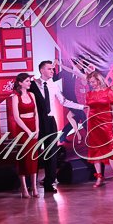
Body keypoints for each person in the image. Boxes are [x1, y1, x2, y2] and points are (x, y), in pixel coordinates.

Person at [30, 60, 85, 195]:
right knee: (34, 153)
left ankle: (49, 182)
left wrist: (82, 107)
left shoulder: (53, 85)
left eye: (53, 69)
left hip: (50, 121)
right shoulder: (33, 84)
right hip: (36, 122)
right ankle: (31, 184)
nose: (52, 71)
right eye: (49, 69)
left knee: (51, 152)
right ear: (42, 70)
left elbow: (64, 101)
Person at [83, 71, 113, 186]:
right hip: (93, 124)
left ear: (99, 80)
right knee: (95, 150)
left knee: (110, 148)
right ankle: (99, 177)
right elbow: (88, 109)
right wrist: (87, 122)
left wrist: (112, 119)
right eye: (90, 82)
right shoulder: (89, 94)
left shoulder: (108, 91)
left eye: (93, 82)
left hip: (106, 123)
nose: (91, 84)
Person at [8, 73, 40, 198]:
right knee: (23, 158)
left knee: (34, 158)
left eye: (29, 81)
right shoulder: (15, 97)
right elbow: (16, 117)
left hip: (33, 126)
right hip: (22, 129)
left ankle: (34, 187)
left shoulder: (32, 95)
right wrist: (28, 131)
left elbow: (36, 113)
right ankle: (24, 188)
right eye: (27, 81)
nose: (29, 83)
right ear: (20, 83)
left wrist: (37, 129)